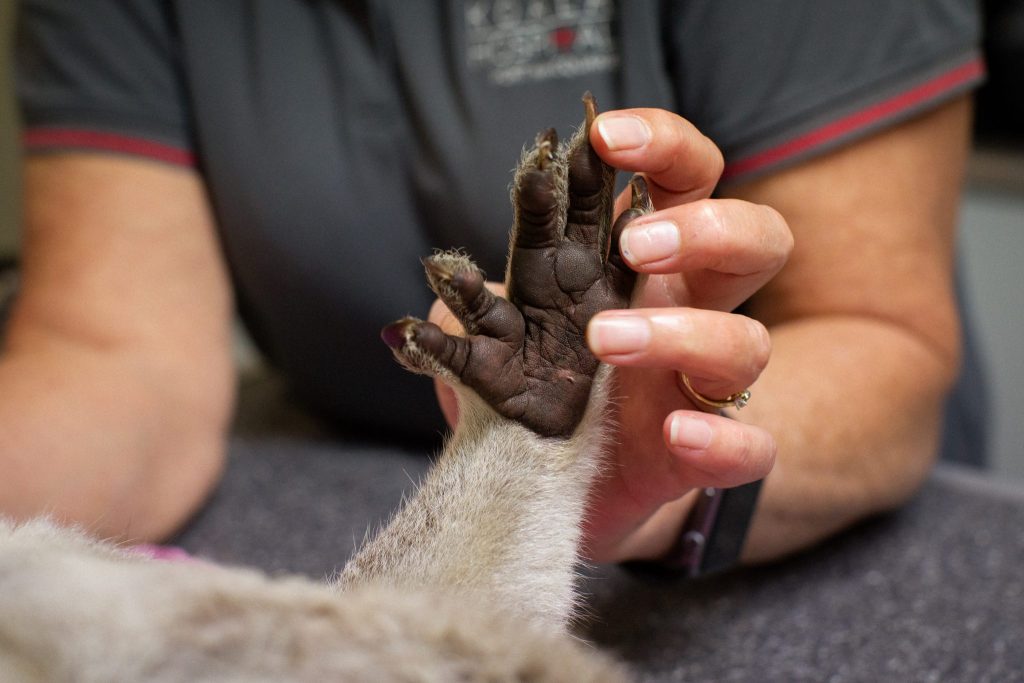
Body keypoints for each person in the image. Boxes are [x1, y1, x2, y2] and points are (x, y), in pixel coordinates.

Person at [4, 1, 983, 568]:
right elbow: (114, 347)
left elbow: (873, 329)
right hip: (355, 489)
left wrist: (626, 463)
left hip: (793, 533)